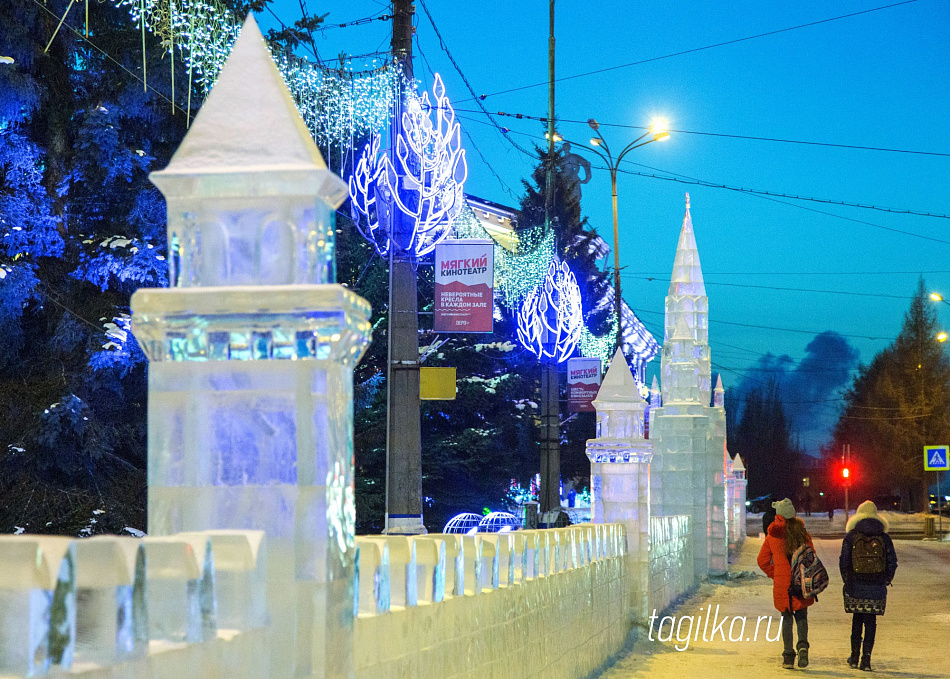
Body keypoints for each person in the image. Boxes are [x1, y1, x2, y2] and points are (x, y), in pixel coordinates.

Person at [839, 501, 897, 671]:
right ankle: (867, 659)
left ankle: (854, 656)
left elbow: (844, 561)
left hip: (855, 583)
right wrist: (885, 579)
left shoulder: (851, 537)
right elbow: (892, 561)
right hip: (876, 584)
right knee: (871, 622)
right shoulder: (884, 538)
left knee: (857, 619)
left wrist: (847, 579)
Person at [757, 498, 815, 669]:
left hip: (782, 583)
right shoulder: (803, 534)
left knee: (786, 617)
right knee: (802, 615)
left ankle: (788, 657)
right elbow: (811, 556)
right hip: (801, 580)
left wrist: (775, 574)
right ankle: (803, 646)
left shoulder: (772, 535)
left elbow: (762, 560)